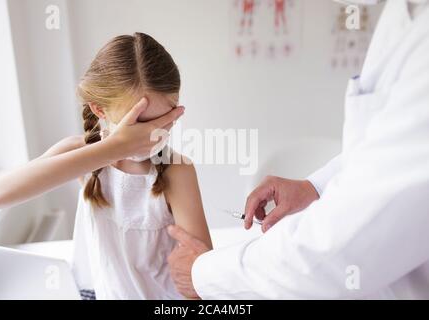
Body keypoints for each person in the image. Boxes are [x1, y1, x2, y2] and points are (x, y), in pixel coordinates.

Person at [167, 0, 429, 299]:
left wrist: (204, 274)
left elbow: (338, 250)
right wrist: (313, 187)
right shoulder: (404, 15)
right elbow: (382, 151)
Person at [0, 33, 212, 299]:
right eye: (141, 124)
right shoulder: (84, 156)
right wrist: (116, 148)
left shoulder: (176, 171)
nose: (154, 135)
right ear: (100, 110)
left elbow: (203, 276)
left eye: (166, 121)